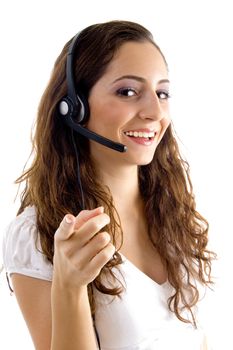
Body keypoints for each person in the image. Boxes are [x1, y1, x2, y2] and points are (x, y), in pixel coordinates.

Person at [2, 20, 215, 350]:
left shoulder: (173, 209)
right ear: (74, 107)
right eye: (128, 91)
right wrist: (69, 287)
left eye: (162, 93)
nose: (154, 112)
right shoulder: (38, 233)